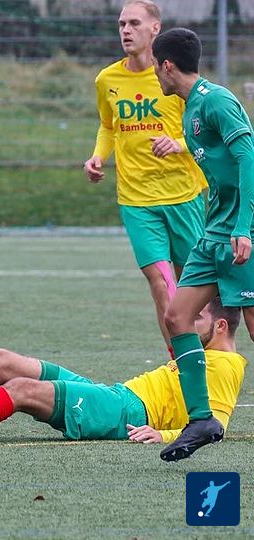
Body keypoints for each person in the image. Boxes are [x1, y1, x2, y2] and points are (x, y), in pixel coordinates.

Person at [0, 299, 245, 450]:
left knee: (20, 389)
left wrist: (165, 435)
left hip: (125, 413)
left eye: (197, 318)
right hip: (116, 395)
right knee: (3, 360)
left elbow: (216, 426)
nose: (186, 324)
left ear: (221, 326)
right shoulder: (202, 352)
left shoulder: (226, 365)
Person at [151, 27, 254, 461]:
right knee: (177, 317)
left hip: (241, 230)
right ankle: (202, 420)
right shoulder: (190, 107)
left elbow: (248, 156)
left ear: (166, 65)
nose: (155, 74)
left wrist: (244, 227)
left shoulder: (216, 100)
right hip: (214, 233)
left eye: (155, 67)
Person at [83, 0, 206, 356]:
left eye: (134, 23)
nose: (126, 30)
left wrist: (178, 143)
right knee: (160, 282)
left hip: (182, 195)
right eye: (122, 24)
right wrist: (98, 156)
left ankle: (211, 354)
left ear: (155, 28)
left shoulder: (173, 76)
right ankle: (178, 361)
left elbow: (203, 129)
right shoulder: (107, 79)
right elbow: (108, 126)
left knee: (193, 285)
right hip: (136, 199)